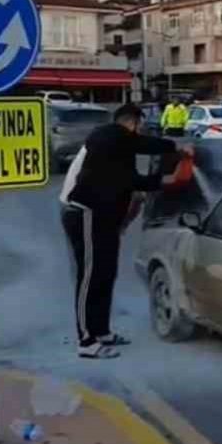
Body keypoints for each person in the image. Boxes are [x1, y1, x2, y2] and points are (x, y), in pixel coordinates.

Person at [60, 102, 183, 358]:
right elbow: (138, 164)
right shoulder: (107, 135)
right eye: (138, 128)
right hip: (84, 211)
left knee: (106, 273)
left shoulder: (118, 149)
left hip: (104, 217)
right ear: (132, 123)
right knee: (90, 276)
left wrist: (122, 224)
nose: (138, 134)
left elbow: (132, 187)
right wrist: (175, 148)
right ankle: (86, 341)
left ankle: (102, 331)